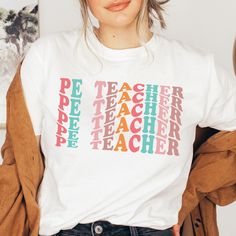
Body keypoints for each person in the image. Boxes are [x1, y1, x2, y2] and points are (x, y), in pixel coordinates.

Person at [18, 0, 236, 236]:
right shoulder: (48, 57)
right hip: (66, 230)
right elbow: (22, 166)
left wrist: (191, 192)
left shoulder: (196, 69)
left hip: (151, 229)